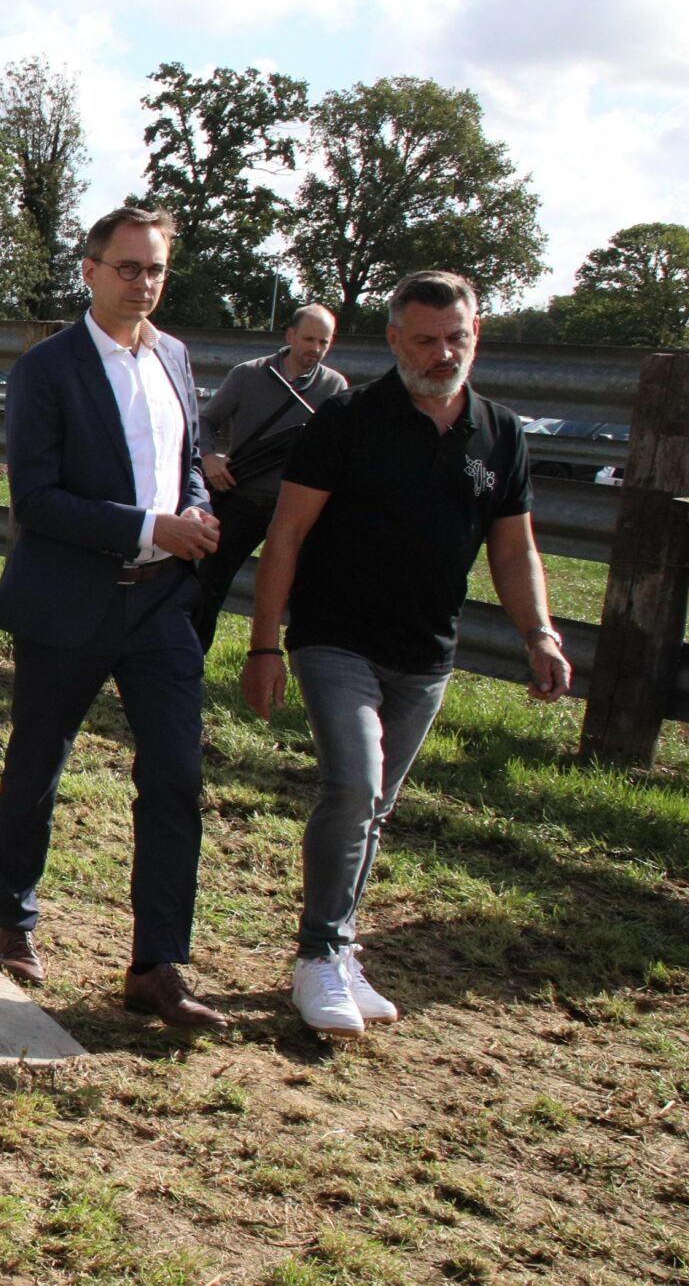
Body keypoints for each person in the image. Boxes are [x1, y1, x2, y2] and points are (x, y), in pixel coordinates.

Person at [242, 271, 567, 1035]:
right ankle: (317, 956)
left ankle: (342, 946)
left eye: (457, 337)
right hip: (335, 638)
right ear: (393, 339)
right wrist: (265, 644)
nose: (443, 352)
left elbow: (514, 549)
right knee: (353, 784)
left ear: (476, 333)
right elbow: (284, 535)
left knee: (377, 804)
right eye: (425, 339)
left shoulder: (501, 433)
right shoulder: (348, 420)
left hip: (425, 651)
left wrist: (540, 633)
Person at [0, 205, 231, 1030]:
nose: (143, 284)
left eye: (155, 269)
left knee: (174, 772)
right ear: (88, 270)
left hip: (162, 601)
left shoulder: (177, 358)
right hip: (72, 598)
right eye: (127, 268)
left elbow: (187, 465)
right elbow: (38, 499)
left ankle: (159, 962)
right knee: (38, 762)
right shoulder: (48, 368)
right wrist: (146, 524)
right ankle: (15, 918)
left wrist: (192, 513)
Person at [191, 305, 347, 652]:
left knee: (310, 591)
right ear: (290, 335)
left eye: (324, 341)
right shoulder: (248, 374)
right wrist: (209, 458)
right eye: (308, 339)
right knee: (207, 587)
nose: (316, 349)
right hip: (241, 499)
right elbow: (205, 421)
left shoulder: (334, 386)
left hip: (296, 510)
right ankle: (186, 665)